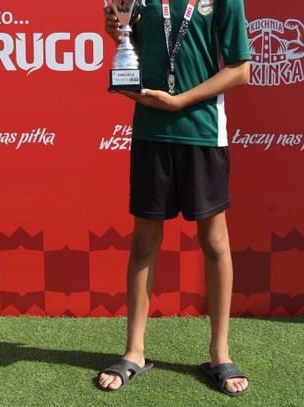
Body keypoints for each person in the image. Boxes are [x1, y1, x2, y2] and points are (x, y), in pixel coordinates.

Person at [97, 0, 252, 397]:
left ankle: (220, 354)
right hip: (151, 131)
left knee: (214, 244)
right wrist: (118, 33)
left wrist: (182, 100)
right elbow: (135, 49)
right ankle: (134, 351)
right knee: (143, 244)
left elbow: (240, 70)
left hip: (203, 132)